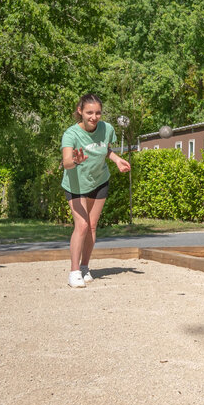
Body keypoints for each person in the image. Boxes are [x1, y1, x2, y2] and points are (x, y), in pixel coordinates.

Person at [60, 94, 130, 288]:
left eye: (98, 112)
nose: (94, 116)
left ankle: (84, 267)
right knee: (81, 226)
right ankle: (74, 272)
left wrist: (116, 160)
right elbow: (66, 162)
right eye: (89, 112)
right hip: (76, 184)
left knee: (91, 226)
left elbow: (105, 149)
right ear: (80, 111)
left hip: (99, 181)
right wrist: (75, 160)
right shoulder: (71, 134)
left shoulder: (107, 129)